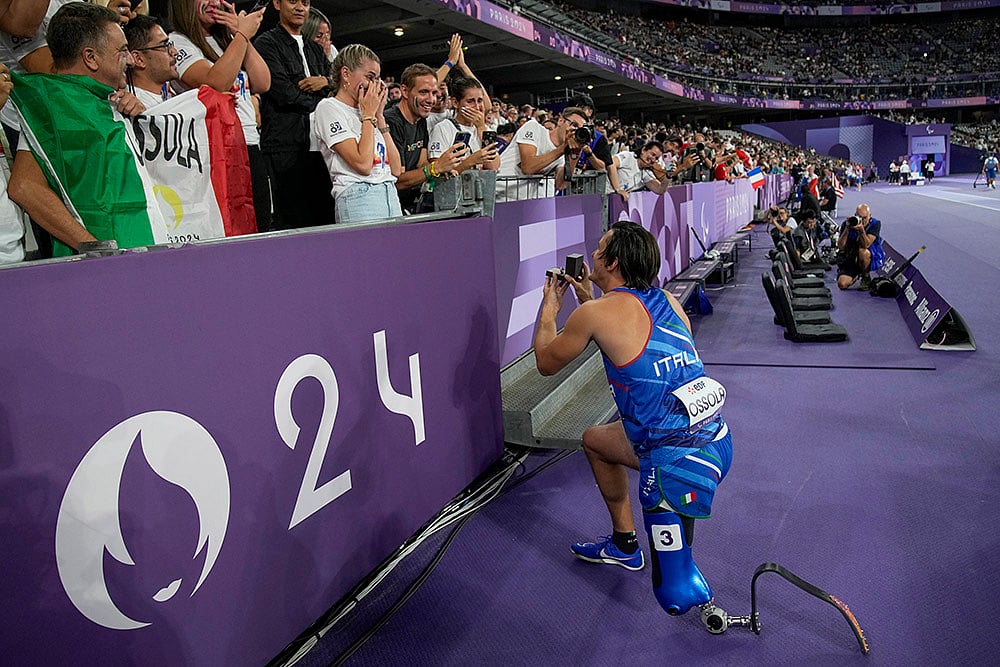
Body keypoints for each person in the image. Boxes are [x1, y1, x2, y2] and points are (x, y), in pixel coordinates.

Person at [533, 220, 733, 618]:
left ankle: (692, 589)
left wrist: (550, 310)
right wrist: (592, 300)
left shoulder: (594, 313)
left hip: (673, 464)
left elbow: (545, 362)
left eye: (599, 247)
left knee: (673, 596)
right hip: (718, 442)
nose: (591, 254)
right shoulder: (669, 300)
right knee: (595, 439)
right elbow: (638, 339)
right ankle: (625, 546)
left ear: (613, 261)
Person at [8, 1, 161, 255]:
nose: (131, 61)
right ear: (90, 57)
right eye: (122, 50)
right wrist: (93, 247)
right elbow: (24, 186)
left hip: (146, 256)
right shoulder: (54, 106)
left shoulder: (114, 102)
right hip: (103, 273)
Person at [169, 0, 269, 233]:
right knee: (231, 232)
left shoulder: (229, 40)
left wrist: (238, 33)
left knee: (261, 228)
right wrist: (243, 35)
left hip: (250, 144)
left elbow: (263, 82)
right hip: (217, 150)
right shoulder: (177, 42)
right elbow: (215, 82)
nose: (214, 2)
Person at [254, 0, 335, 230]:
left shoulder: (315, 49)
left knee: (323, 220)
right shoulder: (266, 44)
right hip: (285, 146)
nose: (300, 7)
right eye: (293, 1)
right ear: (277, 4)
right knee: (290, 221)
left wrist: (325, 82)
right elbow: (285, 94)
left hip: (320, 148)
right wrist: (323, 100)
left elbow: (336, 89)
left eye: (306, 2)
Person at [313, 43, 402, 224]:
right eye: (370, 77)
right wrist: (369, 115)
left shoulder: (367, 111)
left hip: (390, 193)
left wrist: (379, 117)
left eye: (377, 79)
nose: (375, 86)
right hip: (359, 196)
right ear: (345, 74)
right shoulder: (329, 107)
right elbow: (362, 164)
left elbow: (396, 168)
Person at [383, 63, 466, 213]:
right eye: (423, 92)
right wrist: (435, 167)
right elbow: (397, 180)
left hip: (408, 205)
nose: (431, 99)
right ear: (405, 91)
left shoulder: (420, 120)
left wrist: (443, 169)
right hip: (387, 208)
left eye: (434, 93)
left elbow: (421, 162)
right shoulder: (391, 122)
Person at [495, 106, 588, 201]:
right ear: (560, 121)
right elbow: (528, 167)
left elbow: (561, 184)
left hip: (521, 203)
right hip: (497, 196)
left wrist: (575, 155)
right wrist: (562, 149)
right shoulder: (534, 127)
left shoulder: (563, 154)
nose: (575, 131)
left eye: (581, 129)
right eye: (574, 125)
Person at [426, 75, 499, 181]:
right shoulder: (443, 128)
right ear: (455, 103)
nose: (477, 107)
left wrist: (481, 127)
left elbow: (493, 166)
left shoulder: (483, 129)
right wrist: (470, 162)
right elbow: (440, 174)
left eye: (479, 101)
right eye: (470, 101)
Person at [123, 15, 178, 108]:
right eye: (164, 45)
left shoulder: (165, 91)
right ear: (139, 59)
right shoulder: (135, 109)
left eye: (170, 44)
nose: (175, 52)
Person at [836, 204, 882, 290]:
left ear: (870, 216)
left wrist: (861, 231)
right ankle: (856, 274)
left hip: (869, 256)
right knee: (842, 284)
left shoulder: (875, 224)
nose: (862, 220)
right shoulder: (849, 223)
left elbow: (866, 245)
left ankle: (865, 276)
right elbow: (841, 247)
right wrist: (847, 229)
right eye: (860, 217)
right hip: (852, 257)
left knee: (863, 251)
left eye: (865, 218)